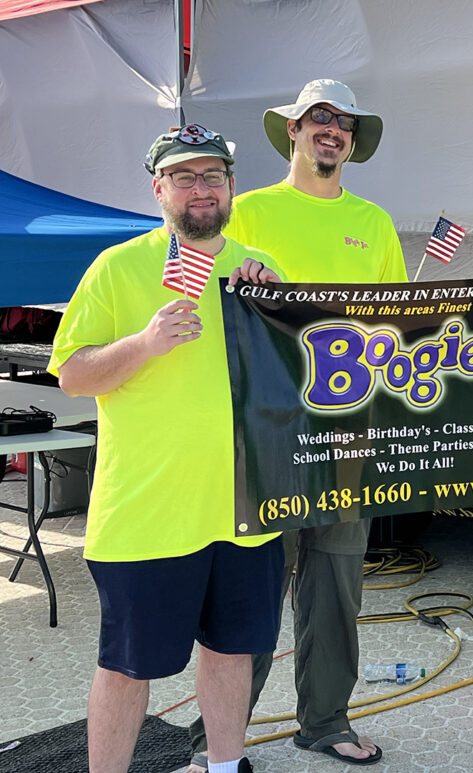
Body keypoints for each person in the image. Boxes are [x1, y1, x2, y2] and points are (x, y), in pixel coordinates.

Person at [48, 125, 286, 773]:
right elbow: (72, 374)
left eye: (213, 175)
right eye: (185, 176)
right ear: (159, 188)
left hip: (245, 506)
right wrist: (145, 344)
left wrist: (272, 313)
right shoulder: (119, 267)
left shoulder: (259, 268)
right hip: (147, 514)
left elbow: (294, 385)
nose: (201, 188)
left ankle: (222, 765)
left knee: (234, 651)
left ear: (232, 185)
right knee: (129, 666)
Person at [187, 79, 406, 770]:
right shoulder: (244, 213)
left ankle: (325, 719)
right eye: (318, 118)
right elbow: (204, 305)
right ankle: (219, 736)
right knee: (252, 586)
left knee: (337, 584)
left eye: (342, 121)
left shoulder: (373, 222)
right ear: (293, 131)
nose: (331, 130)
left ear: (351, 139)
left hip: (347, 432)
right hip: (265, 433)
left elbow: (396, 325)